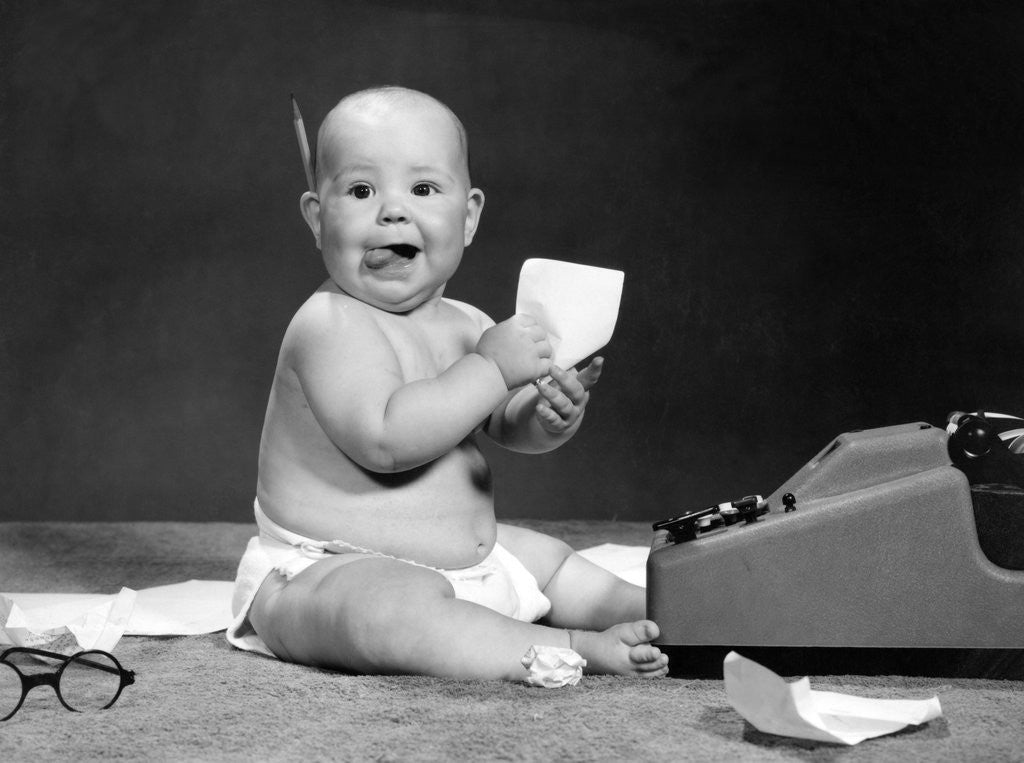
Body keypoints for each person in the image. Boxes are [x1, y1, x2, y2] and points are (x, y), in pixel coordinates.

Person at [227, 85, 668, 683]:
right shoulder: (327, 326)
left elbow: (504, 424)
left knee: (552, 561)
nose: (392, 210)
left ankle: (668, 612)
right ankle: (573, 644)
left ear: (468, 217)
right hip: (325, 570)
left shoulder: (468, 324)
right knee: (386, 614)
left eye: (423, 189)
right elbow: (386, 440)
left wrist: (545, 414)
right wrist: (490, 370)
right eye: (361, 191)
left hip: (473, 563)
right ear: (316, 216)